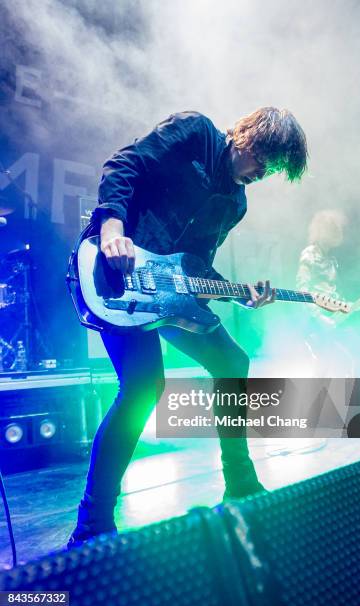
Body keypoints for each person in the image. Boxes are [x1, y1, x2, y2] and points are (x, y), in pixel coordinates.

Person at [68, 107, 308, 546]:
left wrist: (240, 293)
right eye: (263, 157)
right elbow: (125, 164)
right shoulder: (195, 133)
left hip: (170, 295)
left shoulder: (236, 203)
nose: (263, 171)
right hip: (117, 277)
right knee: (143, 387)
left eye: (272, 168)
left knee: (233, 360)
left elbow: (198, 268)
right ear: (247, 136)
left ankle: (239, 481)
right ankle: (92, 523)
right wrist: (112, 227)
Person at [296, 209, 354, 376]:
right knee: (324, 366)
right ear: (322, 231)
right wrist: (318, 317)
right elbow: (302, 289)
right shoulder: (309, 254)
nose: (338, 233)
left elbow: (332, 292)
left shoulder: (332, 260)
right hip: (315, 321)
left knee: (339, 364)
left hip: (328, 318)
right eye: (333, 229)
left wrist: (348, 304)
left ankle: (334, 400)